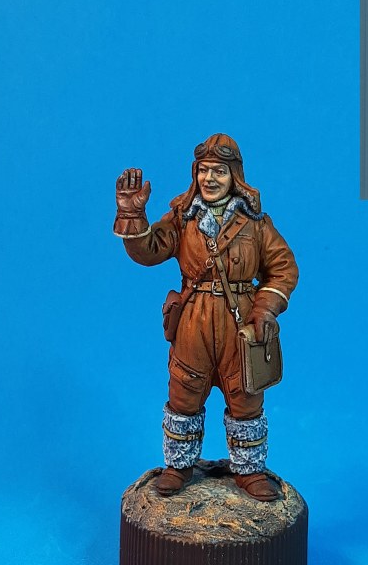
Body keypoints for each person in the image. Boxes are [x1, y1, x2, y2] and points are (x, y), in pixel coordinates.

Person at [113, 134, 299, 501]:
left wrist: (265, 309)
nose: (209, 178)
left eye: (219, 171)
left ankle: (249, 470)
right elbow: (150, 250)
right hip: (193, 320)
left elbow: (283, 268)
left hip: (240, 322)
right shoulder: (183, 218)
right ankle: (178, 465)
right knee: (183, 392)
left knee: (246, 394)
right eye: (203, 170)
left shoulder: (256, 224)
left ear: (234, 176)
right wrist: (132, 215)